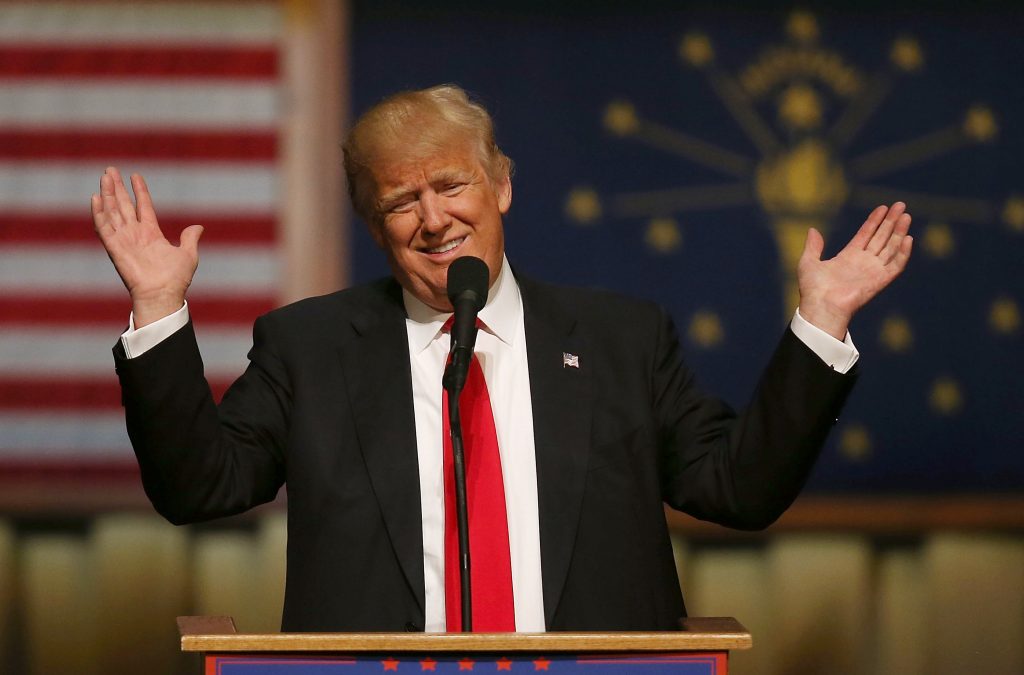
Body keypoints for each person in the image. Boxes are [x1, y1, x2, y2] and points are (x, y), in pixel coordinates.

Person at [92, 85, 912, 633]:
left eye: (451, 184)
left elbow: (741, 486)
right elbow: (199, 486)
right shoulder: (308, 349)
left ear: (502, 187)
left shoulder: (623, 340)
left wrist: (821, 319)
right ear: (376, 229)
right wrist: (160, 306)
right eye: (400, 201)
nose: (433, 217)